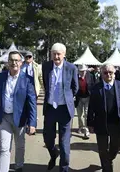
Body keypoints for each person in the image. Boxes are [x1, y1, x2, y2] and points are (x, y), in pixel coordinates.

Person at [0, 51, 37, 172]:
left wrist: (32, 123)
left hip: (20, 118)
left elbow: (32, 102)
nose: (14, 62)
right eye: (11, 60)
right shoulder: (1, 77)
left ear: (21, 63)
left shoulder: (28, 79)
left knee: (20, 146)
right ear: (8, 62)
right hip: (4, 117)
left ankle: (19, 166)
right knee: (4, 148)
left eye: (16, 60)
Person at [42, 43, 78, 172]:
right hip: (51, 108)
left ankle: (64, 168)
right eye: (54, 53)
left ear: (64, 54)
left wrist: (66, 99)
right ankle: (53, 154)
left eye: (59, 54)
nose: (56, 56)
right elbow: (46, 84)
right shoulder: (46, 66)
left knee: (64, 143)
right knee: (48, 139)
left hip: (64, 110)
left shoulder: (71, 68)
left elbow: (75, 88)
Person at [87, 64, 120, 172]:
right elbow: (91, 107)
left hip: (117, 123)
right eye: (105, 72)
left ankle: (108, 159)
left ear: (114, 73)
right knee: (102, 150)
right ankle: (107, 168)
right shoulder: (96, 88)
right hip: (101, 123)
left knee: (116, 146)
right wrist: (90, 123)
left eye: (111, 72)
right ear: (101, 74)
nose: (108, 75)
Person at [75, 64, 94, 139]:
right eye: (81, 71)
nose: (82, 72)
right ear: (78, 71)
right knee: (80, 115)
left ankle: (86, 130)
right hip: (79, 98)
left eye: (84, 71)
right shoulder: (75, 77)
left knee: (86, 114)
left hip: (88, 97)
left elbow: (93, 85)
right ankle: (80, 126)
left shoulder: (90, 76)